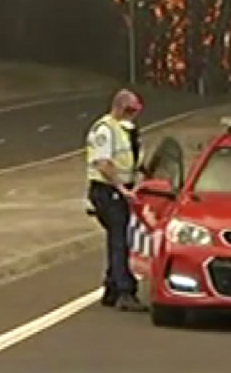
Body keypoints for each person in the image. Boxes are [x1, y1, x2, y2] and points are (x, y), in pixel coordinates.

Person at [85, 88, 149, 312]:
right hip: (107, 190)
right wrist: (122, 188)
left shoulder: (127, 130)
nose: (134, 115)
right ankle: (124, 290)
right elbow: (104, 164)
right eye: (131, 110)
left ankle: (112, 287)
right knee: (120, 239)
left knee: (121, 236)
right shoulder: (105, 130)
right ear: (120, 107)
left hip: (123, 189)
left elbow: (131, 159)